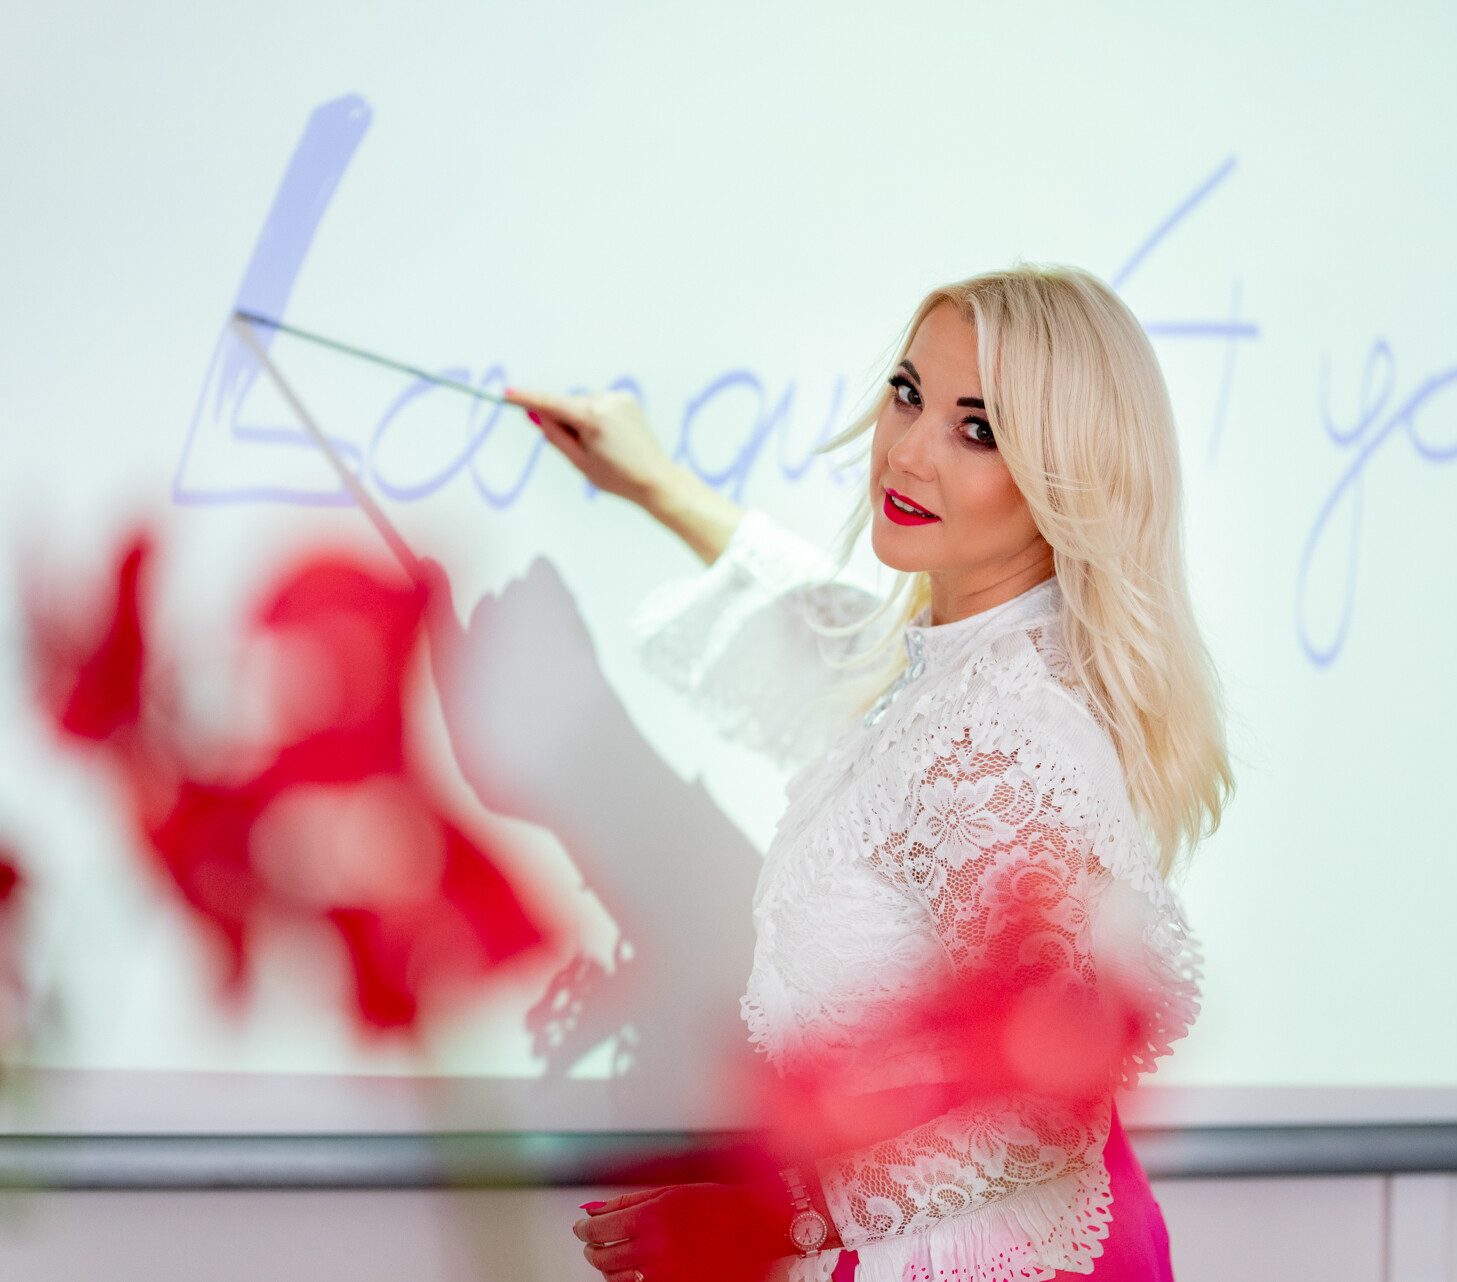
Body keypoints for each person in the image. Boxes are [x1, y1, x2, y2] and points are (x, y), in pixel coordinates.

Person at [516, 265, 1231, 1282]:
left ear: (1068, 476)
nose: (906, 450)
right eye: (908, 393)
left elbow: (1046, 1109)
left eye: (977, 428)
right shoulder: (960, 661)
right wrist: (660, 486)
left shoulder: (1002, 734)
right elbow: (831, 632)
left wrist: (767, 1221)